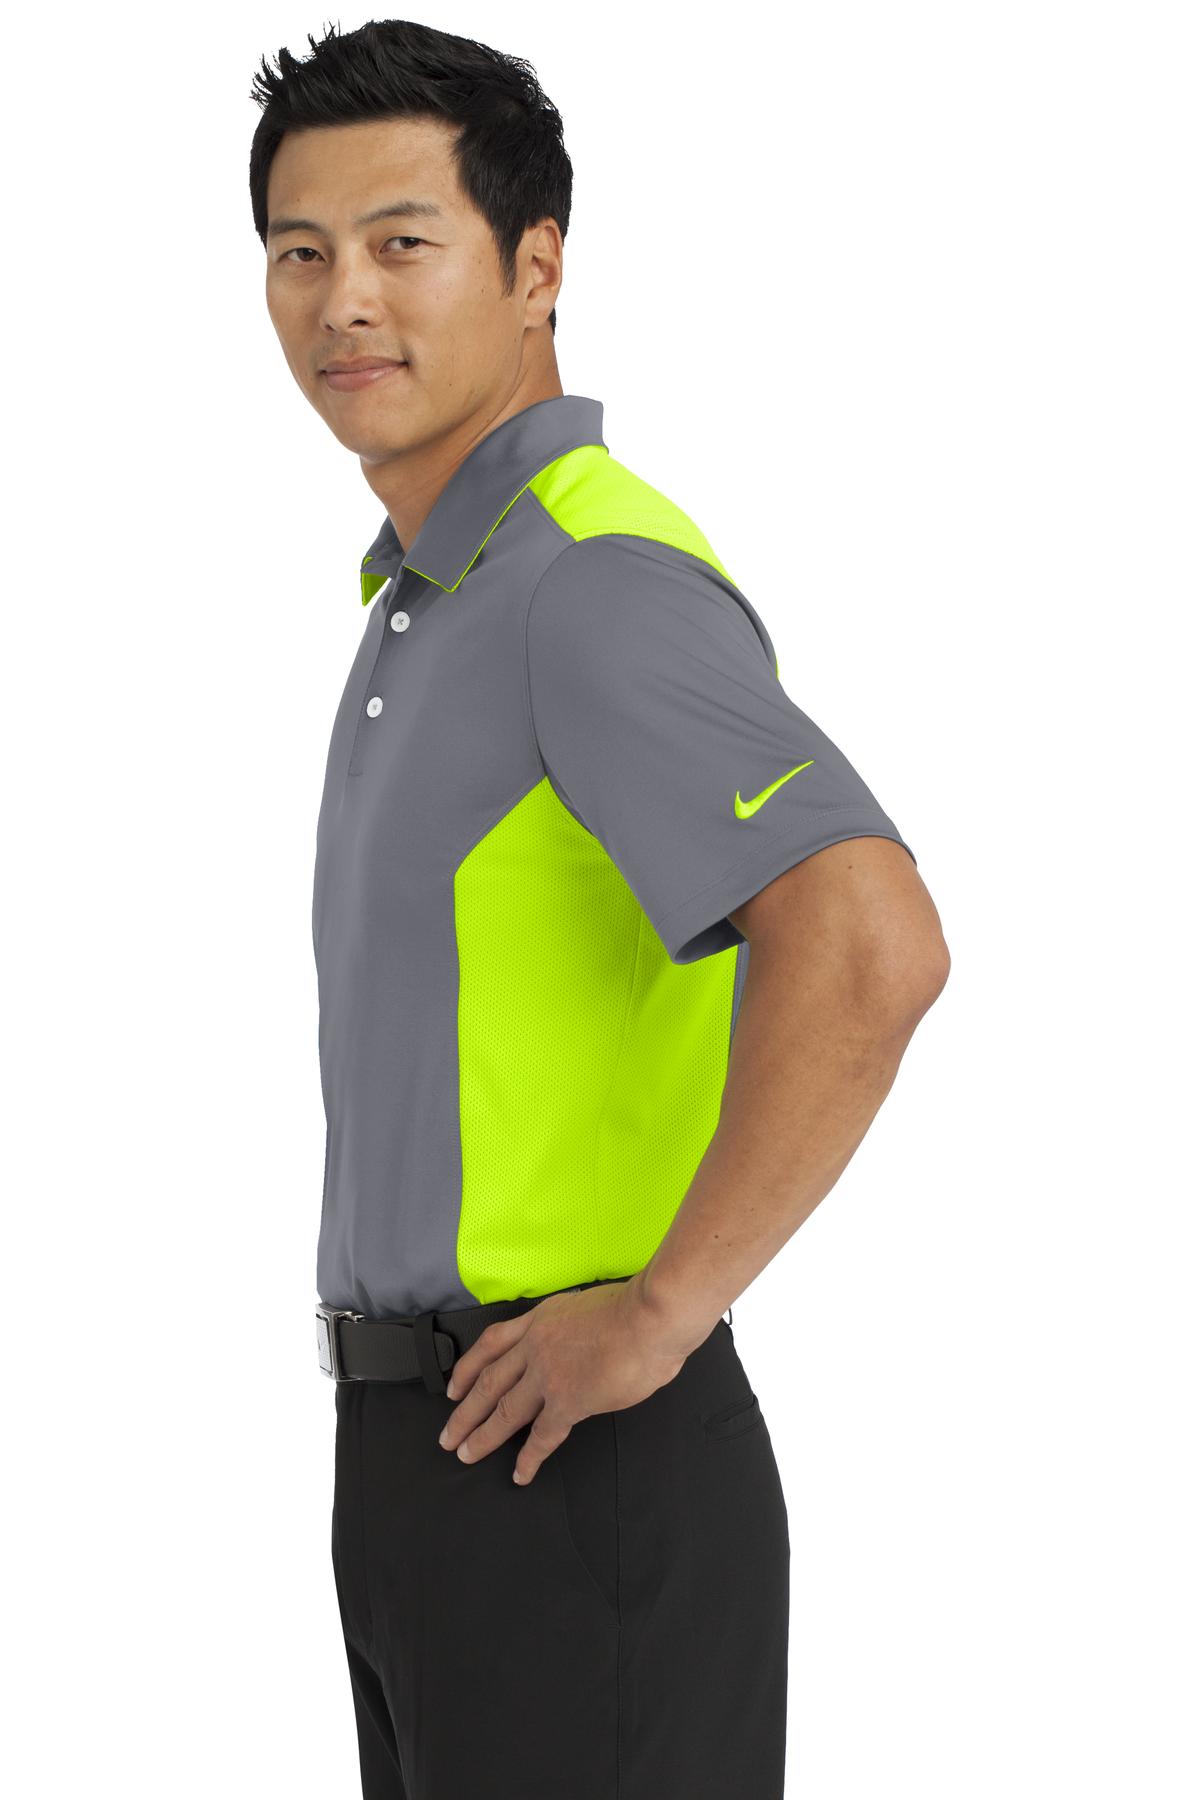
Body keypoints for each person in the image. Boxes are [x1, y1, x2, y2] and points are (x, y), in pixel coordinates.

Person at [252, 18, 950, 1799]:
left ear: (537, 268)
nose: (344, 300)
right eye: (300, 251)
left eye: (403, 242)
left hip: (577, 1465)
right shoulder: (437, 597)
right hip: (428, 1465)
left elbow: (869, 938)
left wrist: (661, 1309)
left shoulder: (588, 578)